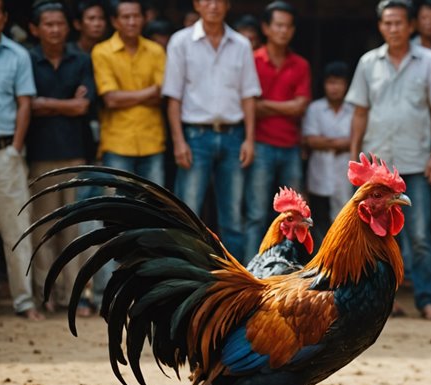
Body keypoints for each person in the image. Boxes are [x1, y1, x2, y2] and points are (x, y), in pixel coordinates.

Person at [347, 0, 431, 321]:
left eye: (399, 23)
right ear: (381, 27)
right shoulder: (368, 63)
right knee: (377, 240)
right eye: (387, 23)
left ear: (411, 26)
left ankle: (426, 300)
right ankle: (386, 302)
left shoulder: (429, 61)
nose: (393, 28)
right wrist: (353, 156)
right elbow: (360, 111)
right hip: (377, 165)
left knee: (420, 235)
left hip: (416, 161)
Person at [162, 0, 261, 263]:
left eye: (220, 1)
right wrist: (178, 141)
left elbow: (248, 96)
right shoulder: (180, 42)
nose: (213, 6)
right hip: (195, 137)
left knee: (232, 217)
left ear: (228, 5)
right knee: (188, 213)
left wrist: (249, 139)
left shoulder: (240, 44)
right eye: (207, 0)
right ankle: (183, 278)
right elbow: (174, 97)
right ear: (196, 4)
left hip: (233, 136)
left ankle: (237, 287)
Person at [88, 0, 167, 313]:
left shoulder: (157, 51)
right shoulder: (101, 52)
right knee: (112, 219)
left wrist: (128, 97)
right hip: (117, 144)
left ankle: (155, 290)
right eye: (125, 16)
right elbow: (110, 98)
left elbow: (161, 92)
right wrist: (146, 94)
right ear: (115, 21)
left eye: (136, 15)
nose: (132, 21)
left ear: (143, 18)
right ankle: (105, 292)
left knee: (156, 219)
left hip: (153, 142)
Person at [26, 2, 95, 316]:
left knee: (75, 229)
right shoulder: (27, 60)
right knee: (42, 230)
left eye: (59, 24)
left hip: (75, 155)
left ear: (68, 28)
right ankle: (44, 294)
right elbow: (28, 105)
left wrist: (44, 103)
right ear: (35, 29)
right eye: (48, 24)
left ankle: (78, 295)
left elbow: (82, 108)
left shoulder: (81, 60)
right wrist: (65, 103)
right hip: (38, 155)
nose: (54, 29)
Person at [0, 0, 41, 320]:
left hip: (6, 152)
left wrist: (16, 148)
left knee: (16, 231)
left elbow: (24, 104)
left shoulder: (17, 55)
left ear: (5, 18)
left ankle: (24, 302)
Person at [246, 1, 311, 259]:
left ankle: (292, 269)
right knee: (256, 214)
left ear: (293, 30)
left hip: (290, 146)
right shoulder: (252, 60)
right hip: (260, 144)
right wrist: (286, 106)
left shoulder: (301, 64)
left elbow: (300, 107)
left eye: (288, 26)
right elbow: (249, 106)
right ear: (266, 28)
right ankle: (248, 273)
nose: (283, 31)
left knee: (298, 215)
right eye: (278, 25)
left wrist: (263, 105)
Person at [302, 61, 354, 237]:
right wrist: (341, 143)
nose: (334, 88)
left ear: (346, 85)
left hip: (345, 176)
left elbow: (358, 139)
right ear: (324, 84)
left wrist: (325, 141)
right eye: (330, 82)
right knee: (319, 225)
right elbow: (310, 140)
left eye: (339, 83)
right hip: (319, 176)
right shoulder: (315, 108)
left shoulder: (354, 109)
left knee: (346, 224)